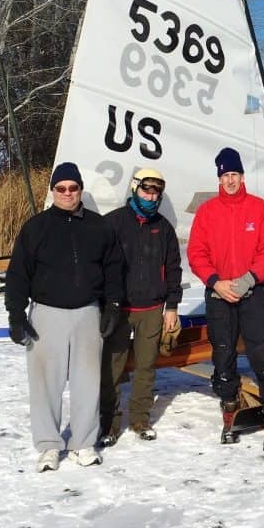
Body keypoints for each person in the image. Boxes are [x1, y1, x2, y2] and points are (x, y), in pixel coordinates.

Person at [5, 162, 124, 472]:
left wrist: (112, 306)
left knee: (88, 382)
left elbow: (113, 270)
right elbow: (18, 273)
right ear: (53, 191)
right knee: (45, 382)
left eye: (73, 188)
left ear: (80, 190)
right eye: (61, 188)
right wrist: (15, 314)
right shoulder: (36, 228)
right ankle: (47, 445)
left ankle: (83, 443)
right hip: (47, 313)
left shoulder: (100, 227)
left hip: (86, 312)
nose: (67, 193)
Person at [187, 147, 264, 450]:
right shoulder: (207, 211)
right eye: (225, 175)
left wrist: (248, 279)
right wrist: (216, 282)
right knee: (223, 355)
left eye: (234, 174)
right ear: (219, 178)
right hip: (219, 293)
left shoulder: (258, 208)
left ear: (242, 176)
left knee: (262, 354)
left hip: (251, 291)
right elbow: (196, 253)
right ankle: (230, 407)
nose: (230, 180)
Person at [99, 167, 182, 445]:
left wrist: (172, 306)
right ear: (135, 188)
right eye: (147, 189)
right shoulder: (112, 223)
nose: (151, 195)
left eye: (157, 191)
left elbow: (173, 269)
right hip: (119, 309)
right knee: (112, 368)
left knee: (146, 366)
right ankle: (108, 423)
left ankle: (139, 419)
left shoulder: (164, 228)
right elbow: (98, 267)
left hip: (151, 310)